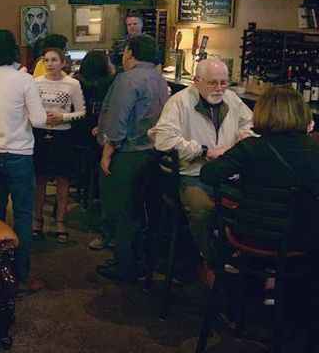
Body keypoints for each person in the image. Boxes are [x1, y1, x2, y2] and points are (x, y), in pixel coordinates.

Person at [0, 29, 52, 291]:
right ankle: (20, 275)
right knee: (23, 215)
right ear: (13, 50)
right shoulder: (22, 80)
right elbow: (38, 120)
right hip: (19, 154)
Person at [149, 58, 254, 262]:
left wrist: (245, 135)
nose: (219, 88)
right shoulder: (179, 102)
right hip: (193, 174)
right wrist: (203, 151)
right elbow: (163, 139)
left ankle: (237, 257)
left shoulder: (231, 99)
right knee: (203, 210)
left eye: (224, 82)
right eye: (212, 83)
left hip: (227, 174)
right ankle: (211, 259)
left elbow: (250, 123)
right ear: (196, 81)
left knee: (253, 206)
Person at [200, 86, 319, 252]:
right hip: (301, 238)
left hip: (251, 234)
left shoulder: (250, 147)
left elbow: (208, 174)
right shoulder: (314, 149)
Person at [95, 34, 169, 282]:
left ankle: (124, 266)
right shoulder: (159, 79)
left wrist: (107, 151)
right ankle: (139, 262)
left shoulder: (127, 79)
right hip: (152, 153)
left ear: (129, 53)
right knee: (140, 211)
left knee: (122, 211)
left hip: (128, 154)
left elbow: (118, 120)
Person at [33, 47, 86, 243]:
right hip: (40, 133)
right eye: (46, 60)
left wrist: (63, 117)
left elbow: (81, 112)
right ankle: (37, 221)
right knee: (40, 180)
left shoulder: (72, 84)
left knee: (63, 180)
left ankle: (60, 222)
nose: (50, 64)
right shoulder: (35, 82)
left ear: (63, 62)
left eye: (54, 60)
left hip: (63, 135)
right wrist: (41, 118)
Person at [72, 50, 116, 251]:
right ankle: (97, 195)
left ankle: (85, 188)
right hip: (99, 140)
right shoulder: (112, 84)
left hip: (78, 137)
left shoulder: (76, 82)